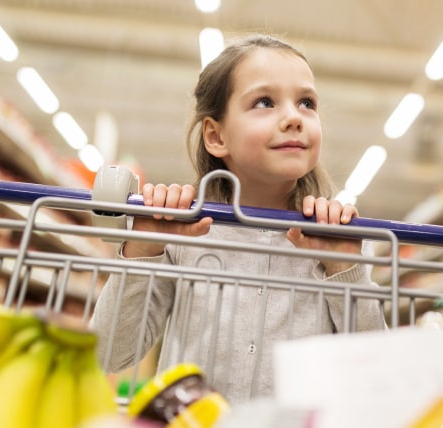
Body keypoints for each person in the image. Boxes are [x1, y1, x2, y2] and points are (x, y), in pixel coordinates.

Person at [89, 33, 387, 403]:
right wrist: (144, 250)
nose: (294, 117)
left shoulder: (337, 238)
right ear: (216, 136)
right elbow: (109, 353)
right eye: (265, 102)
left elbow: (375, 370)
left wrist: (347, 270)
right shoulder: (183, 232)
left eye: (306, 103)